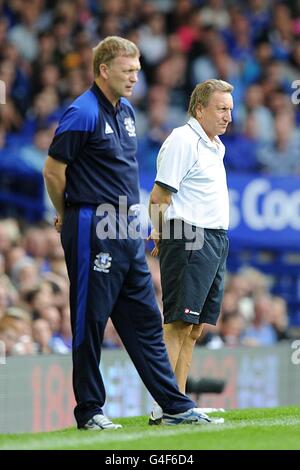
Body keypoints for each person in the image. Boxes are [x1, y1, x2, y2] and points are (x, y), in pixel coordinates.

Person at [43, 36, 223, 430]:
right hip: (93, 224)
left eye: (138, 71)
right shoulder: (82, 111)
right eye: (128, 70)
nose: (135, 78)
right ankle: (90, 410)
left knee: (145, 320)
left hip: (126, 227)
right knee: (90, 320)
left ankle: (173, 404)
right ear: (104, 69)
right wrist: (66, 213)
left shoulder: (125, 111)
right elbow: (53, 170)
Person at [148, 79, 233, 423]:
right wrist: (159, 232)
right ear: (200, 109)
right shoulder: (183, 140)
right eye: (221, 108)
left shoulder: (215, 145)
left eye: (230, 108)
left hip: (213, 239)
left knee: (194, 328)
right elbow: (158, 196)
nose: (228, 115)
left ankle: (179, 403)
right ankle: (164, 406)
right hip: (188, 237)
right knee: (178, 325)